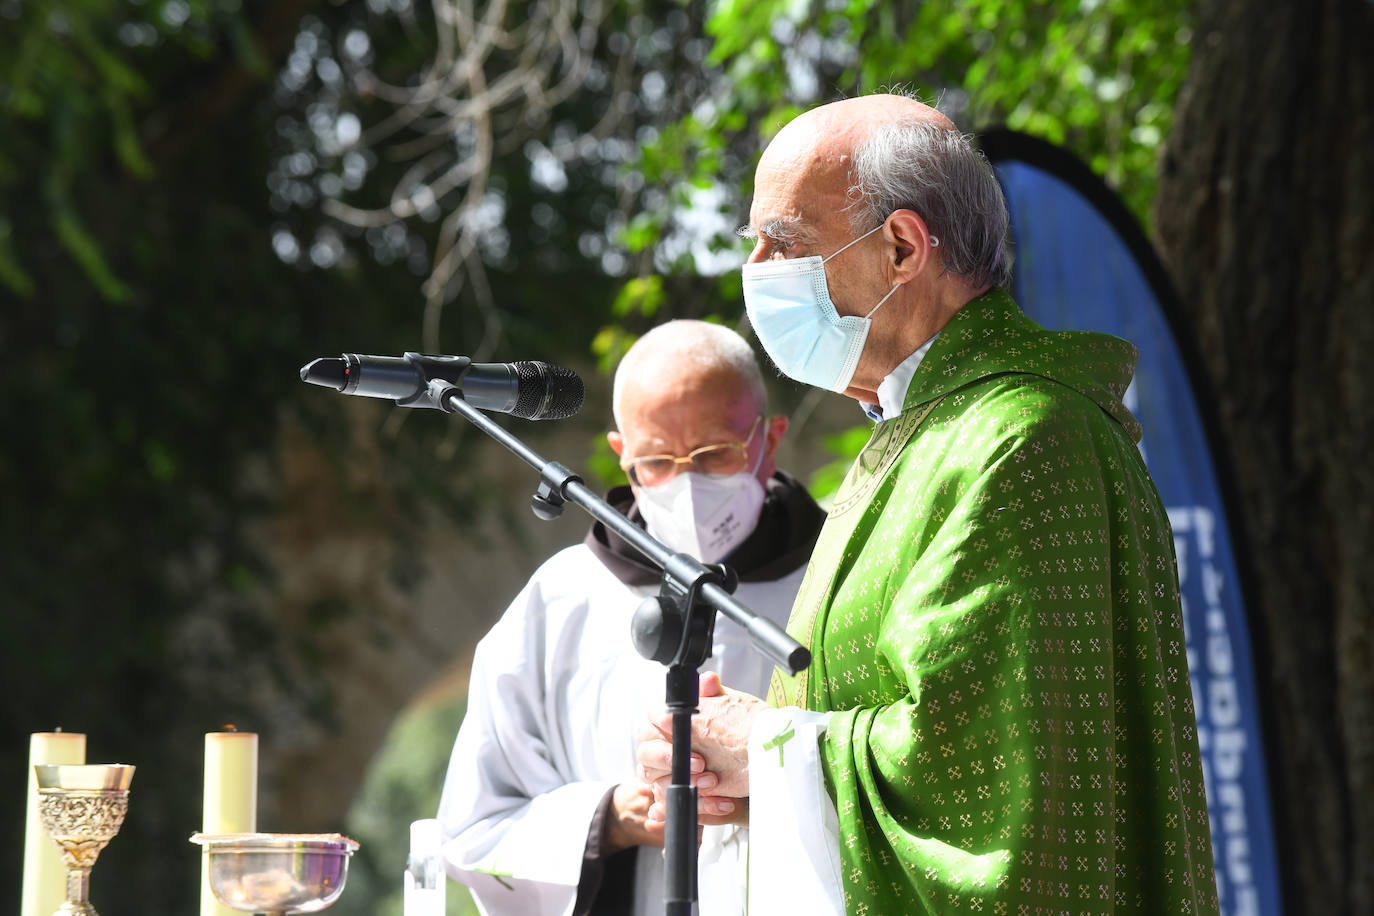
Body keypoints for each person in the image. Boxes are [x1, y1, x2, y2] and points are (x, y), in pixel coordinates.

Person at [636, 94, 1221, 915]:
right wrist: (758, 773)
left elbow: (979, 777)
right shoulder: (924, 435)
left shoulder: (1019, 440)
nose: (757, 267)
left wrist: (764, 750)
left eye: (785, 243)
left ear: (902, 248)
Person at [437, 319, 826, 916]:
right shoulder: (560, 601)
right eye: (656, 462)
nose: (685, 483)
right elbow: (473, 827)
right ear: (621, 455)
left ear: (768, 441)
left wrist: (774, 768)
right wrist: (612, 816)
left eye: (715, 453)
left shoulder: (835, 578)